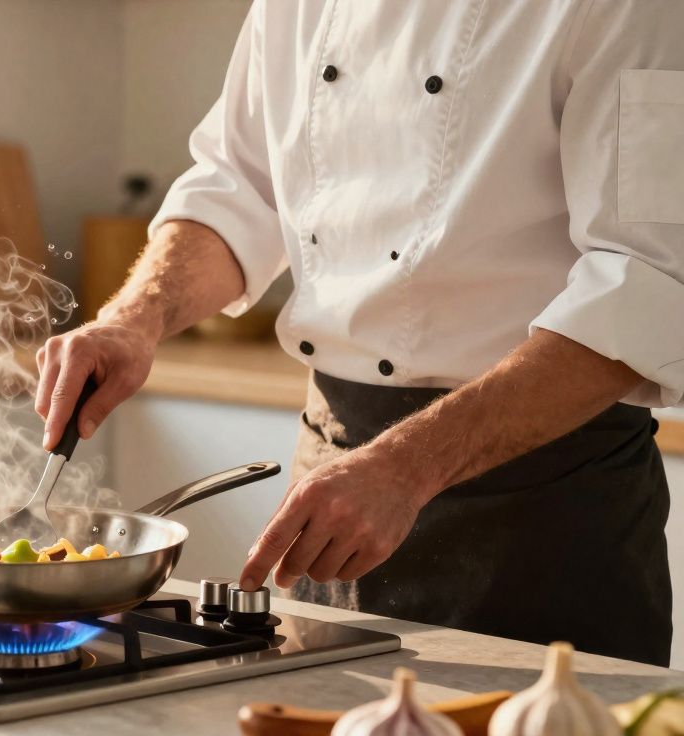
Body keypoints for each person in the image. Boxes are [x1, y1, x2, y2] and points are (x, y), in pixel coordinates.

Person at [35, 1, 682, 666]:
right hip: (333, 489)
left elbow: (647, 281)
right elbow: (239, 188)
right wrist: (133, 319)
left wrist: (407, 466)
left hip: (541, 507)